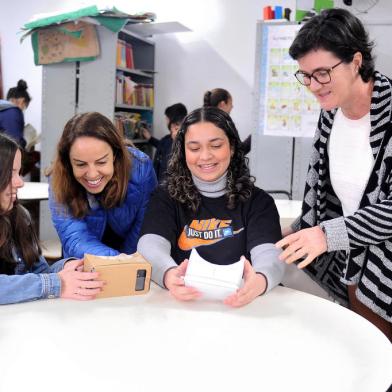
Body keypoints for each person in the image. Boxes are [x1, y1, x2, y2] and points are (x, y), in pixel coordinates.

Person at [275, 8, 392, 340]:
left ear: (356, 61)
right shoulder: (331, 116)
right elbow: (327, 198)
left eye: (322, 73)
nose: (313, 85)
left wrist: (326, 236)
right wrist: (294, 230)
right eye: (306, 75)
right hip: (356, 265)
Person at [138, 107, 284, 307]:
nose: (205, 156)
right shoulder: (165, 198)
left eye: (215, 145)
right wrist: (169, 275)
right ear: (183, 151)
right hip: (182, 307)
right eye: (195, 148)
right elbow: (149, 245)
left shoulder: (259, 202)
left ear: (232, 147)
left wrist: (259, 281)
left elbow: (270, 255)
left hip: (244, 307)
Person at [0, 133, 104, 304]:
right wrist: (56, 283)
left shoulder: (20, 217)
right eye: (11, 173)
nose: (20, 182)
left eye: (19, 173)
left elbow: (39, 272)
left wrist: (66, 268)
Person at [49, 112, 157, 259]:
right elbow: (75, 238)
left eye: (101, 162)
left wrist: (128, 264)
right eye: (81, 164)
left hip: (131, 259)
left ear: (115, 154)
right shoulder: (59, 177)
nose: (92, 174)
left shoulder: (141, 168)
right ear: (68, 162)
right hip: (83, 262)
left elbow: (143, 227)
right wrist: (117, 261)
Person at [142, 103, 188, 182]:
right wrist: (150, 138)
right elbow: (162, 145)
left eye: (167, 118)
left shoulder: (184, 141)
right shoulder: (167, 139)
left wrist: (177, 140)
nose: (166, 121)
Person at [203, 88, 251, 154]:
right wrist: (253, 136)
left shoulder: (201, 121)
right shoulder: (224, 125)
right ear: (222, 104)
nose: (232, 106)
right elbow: (239, 152)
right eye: (230, 103)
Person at [0, 80, 31, 148]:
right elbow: (15, 142)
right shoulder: (13, 111)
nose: (23, 109)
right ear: (22, 101)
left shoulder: (3, 108)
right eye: (25, 106)